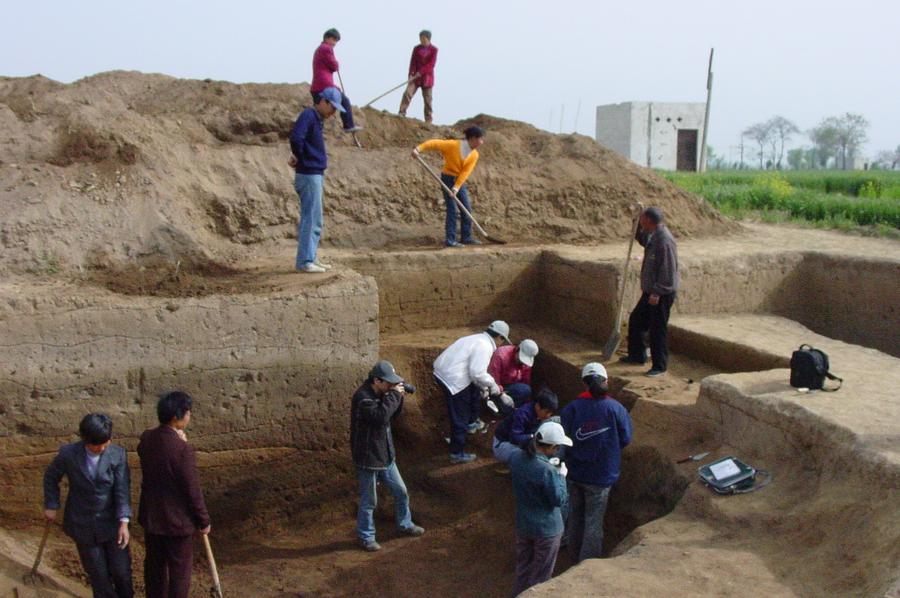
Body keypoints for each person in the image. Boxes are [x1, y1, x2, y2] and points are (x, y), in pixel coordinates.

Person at [43, 413, 133, 598]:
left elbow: (122, 489)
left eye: (106, 442)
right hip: (83, 523)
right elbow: (51, 477)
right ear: (86, 440)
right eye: (98, 445)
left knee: (121, 571)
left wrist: (124, 522)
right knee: (99, 575)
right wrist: (52, 504)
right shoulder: (69, 454)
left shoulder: (117, 455)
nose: (103, 447)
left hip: (112, 523)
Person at [138, 391, 211, 598]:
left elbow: (151, 447)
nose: (189, 416)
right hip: (177, 523)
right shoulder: (183, 450)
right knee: (179, 572)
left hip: (152, 518)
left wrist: (179, 440)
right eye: (187, 412)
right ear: (176, 417)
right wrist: (203, 520)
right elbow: (192, 490)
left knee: (155, 569)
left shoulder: (146, 439)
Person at [561, 363, 633, 563]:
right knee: (593, 522)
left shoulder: (572, 409)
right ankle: (586, 566)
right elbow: (626, 438)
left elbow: (562, 440)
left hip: (575, 472)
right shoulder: (615, 408)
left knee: (575, 517)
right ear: (606, 381)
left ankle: (573, 558)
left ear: (584, 383)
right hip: (602, 476)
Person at [351, 360, 425, 552]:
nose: (392, 385)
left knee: (401, 491)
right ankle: (366, 537)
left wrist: (397, 397)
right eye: (389, 382)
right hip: (368, 457)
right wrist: (394, 395)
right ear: (377, 381)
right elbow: (380, 417)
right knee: (369, 501)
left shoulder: (383, 393)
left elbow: (391, 416)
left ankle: (405, 524)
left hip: (385, 455)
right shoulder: (363, 398)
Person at [433, 320, 512, 464]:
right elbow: (477, 373)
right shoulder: (485, 346)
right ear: (499, 337)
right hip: (453, 380)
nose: (502, 344)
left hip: (443, 372)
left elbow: (474, 372)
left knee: (474, 391)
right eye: (503, 340)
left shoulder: (475, 338)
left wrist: (482, 386)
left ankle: (471, 422)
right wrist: (493, 386)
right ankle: (456, 453)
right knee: (460, 415)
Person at [509, 421, 571, 596]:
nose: (558, 450)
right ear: (550, 447)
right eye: (557, 447)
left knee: (523, 568)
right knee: (541, 576)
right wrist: (561, 477)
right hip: (547, 529)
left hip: (524, 524)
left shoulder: (516, 457)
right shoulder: (547, 470)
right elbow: (559, 499)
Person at [289, 87, 344, 273]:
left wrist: (299, 156)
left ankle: (311, 257)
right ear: (323, 101)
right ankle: (305, 261)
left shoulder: (316, 119)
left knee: (316, 219)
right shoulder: (309, 115)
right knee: (311, 219)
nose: (333, 112)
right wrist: (300, 157)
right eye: (332, 107)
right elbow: (296, 138)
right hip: (309, 174)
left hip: (314, 173)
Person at [620, 206, 679, 376]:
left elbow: (667, 270)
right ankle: (637, 356)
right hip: (651, 291)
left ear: (649, 220)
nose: (641, 221)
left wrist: (657, 292)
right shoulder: (653, 235)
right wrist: (635, 225)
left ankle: (660, 366)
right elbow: (643, 239)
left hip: (661, 293)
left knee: (657, 328)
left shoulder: (664, 241)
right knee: (637, 320)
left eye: (642, 219)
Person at [412, 126, 486, 247]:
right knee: (452, 210)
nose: (482, 142)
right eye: (480, 139)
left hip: (459, 182)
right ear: (473, 138)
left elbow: (465, 172)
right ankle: (450, 240)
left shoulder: (474, 155)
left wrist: (456, 188)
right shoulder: (453, 145)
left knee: (466, 208)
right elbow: (434, 143)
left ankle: (466, 237)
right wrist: (418, 149)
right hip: (447, 179)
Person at [310, 28, 360, 133]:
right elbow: (334, 66)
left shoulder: (320, 49)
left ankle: (313, 133)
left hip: (317, 87)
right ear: (327, 38)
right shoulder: (326, 48)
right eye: (334, 40)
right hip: (324, 86)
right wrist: (336, 63)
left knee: (319, 115)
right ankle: (348, 125)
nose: (335, 43)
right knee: (345, 100)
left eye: (336, 41)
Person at [492, 389, 558, 464]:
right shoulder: (522, 414)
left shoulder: (539, 414)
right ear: (538, 406)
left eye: (551, 413)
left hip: (516, 444)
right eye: (547, 412)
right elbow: (514, 438)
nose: (548, 415)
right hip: (501, 445)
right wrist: (532, 437)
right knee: (530, 456)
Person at [399, 30, 438, 123]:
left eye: (423, 39)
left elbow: (431, 65)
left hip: (427, 78)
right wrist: (411, 74)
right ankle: (401, 112)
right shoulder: (416, 49)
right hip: (415, 78)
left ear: (428, 39)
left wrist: (421, 72)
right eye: (420, 38)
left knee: (428, 100)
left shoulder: (434, 50)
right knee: (407, 93)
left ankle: (428, 120)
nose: (421, 40)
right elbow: (413, 62)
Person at [488, 339, 539, 408]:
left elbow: (525, 381)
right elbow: (493, 379)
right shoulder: (501, 355)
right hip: (495, 387)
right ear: (517, 349)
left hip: (511, 388)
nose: (522, 362)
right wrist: (501, 394)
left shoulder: (525, 364)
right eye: (521, 358)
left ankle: (508, 409)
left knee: (525, 390)